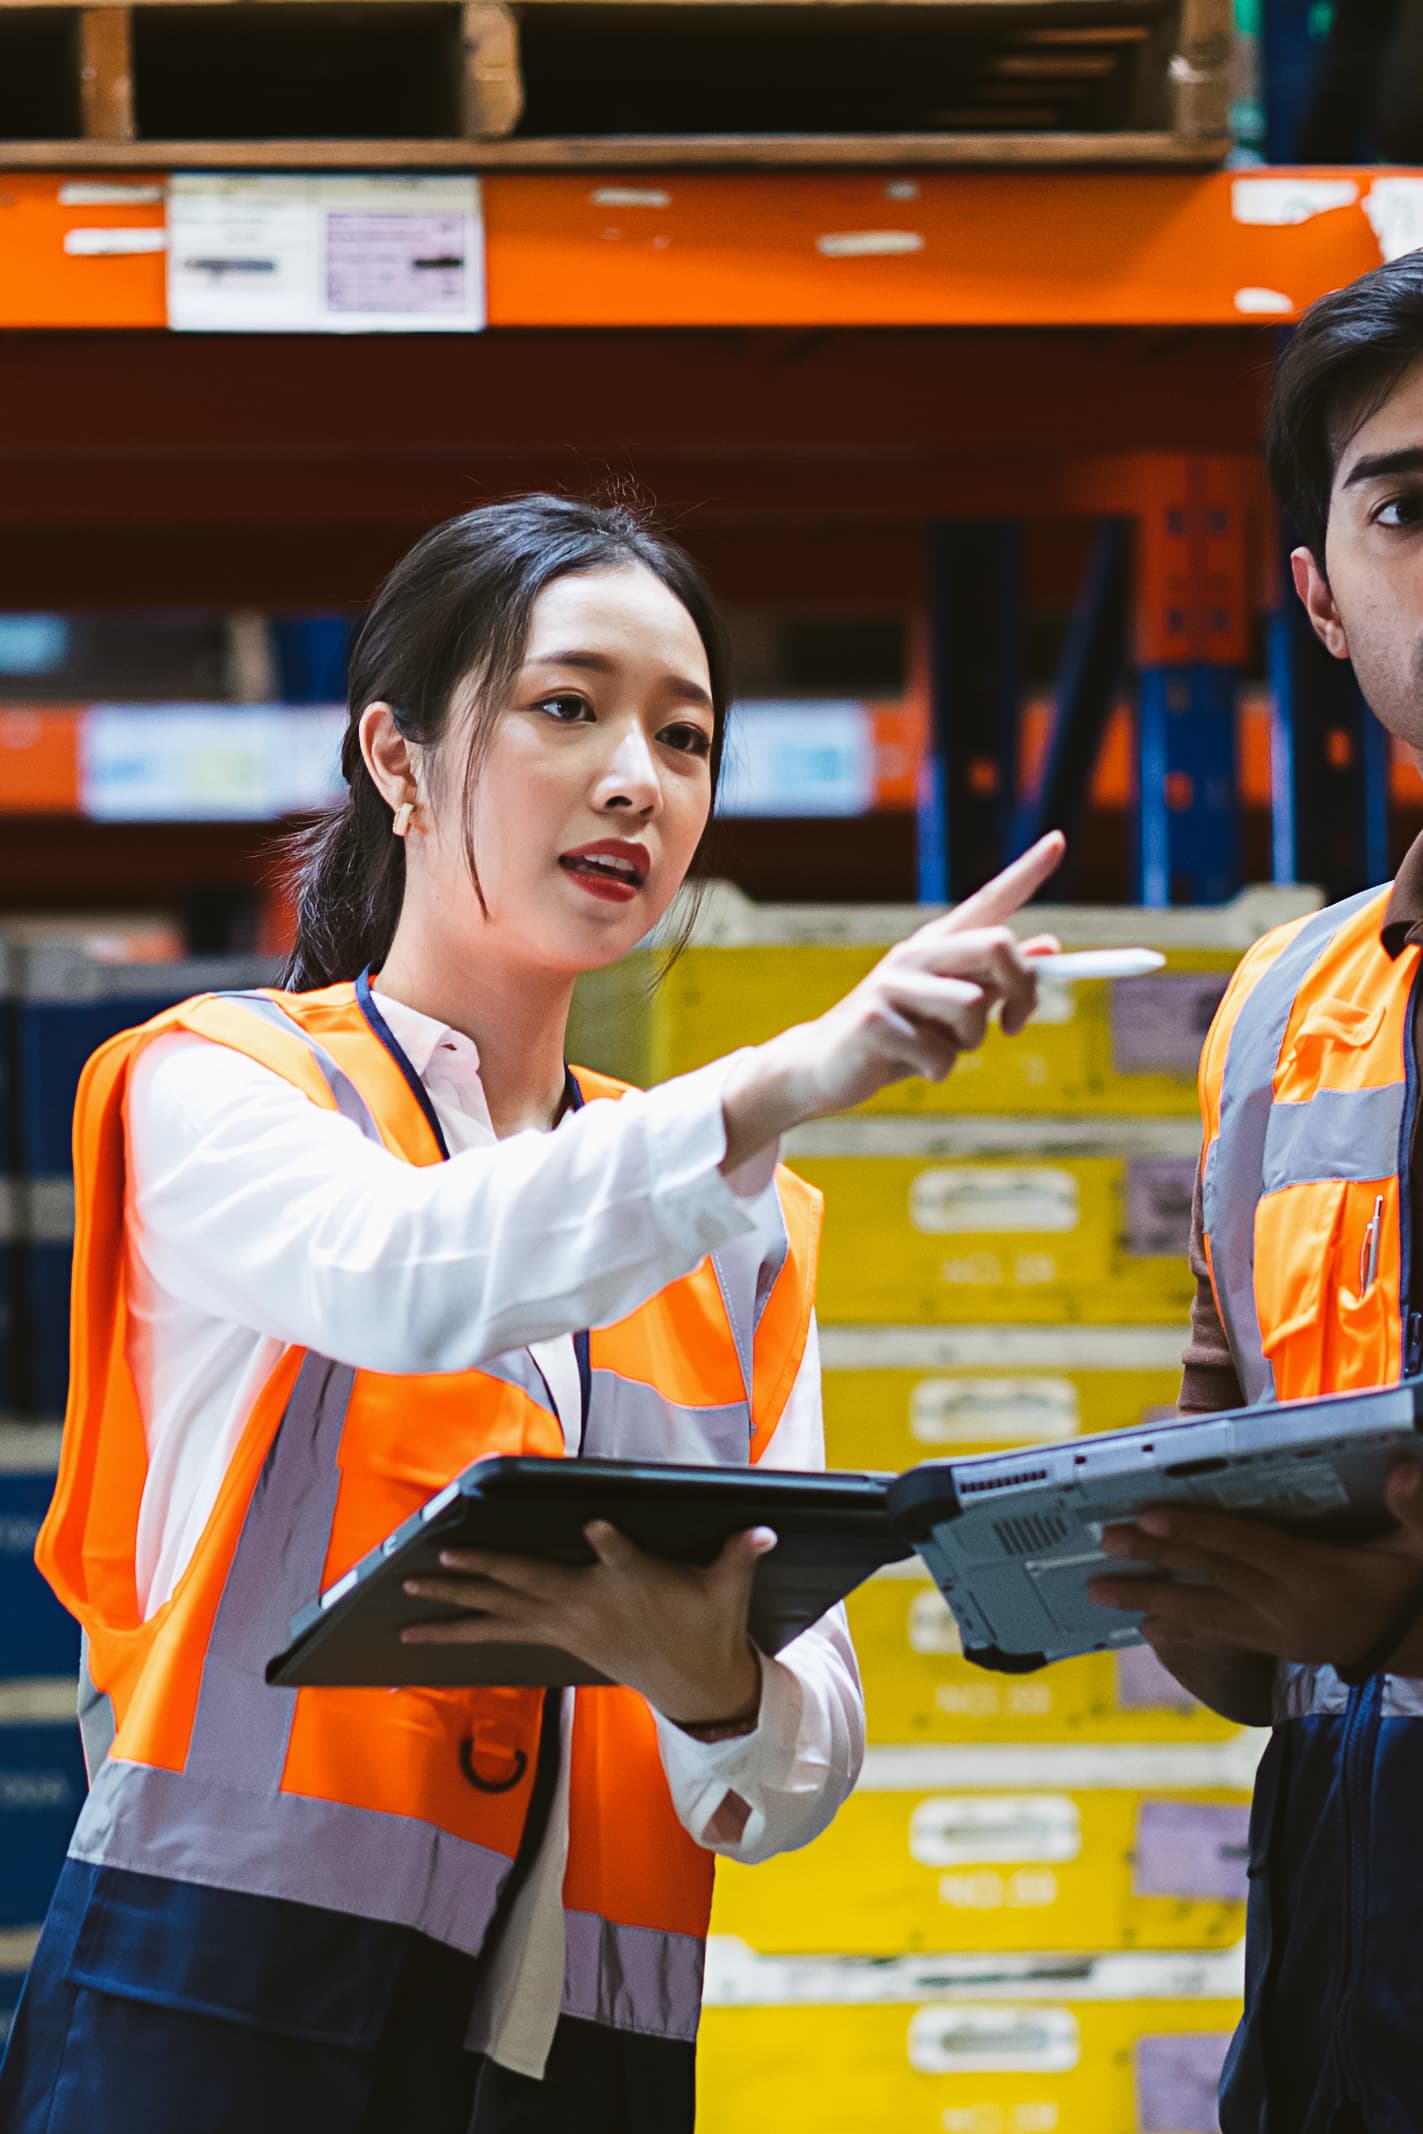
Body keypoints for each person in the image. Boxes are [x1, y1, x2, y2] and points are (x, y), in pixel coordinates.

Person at [0, 493, 1065, 2134]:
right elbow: (412, 1271)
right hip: (219, 2017)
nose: (637, 777)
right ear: (401, 759)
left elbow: (807, 1756)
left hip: (586, 2073)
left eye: (687, 736)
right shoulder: (218, 1092)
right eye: (567, 707)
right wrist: (791, 1072)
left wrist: (720, 1691)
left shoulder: (749, 1231)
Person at [1085, 255, 1423, 2134]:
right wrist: (1182, 1578)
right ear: (1317, 590)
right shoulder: (1284, 1010)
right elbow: (1231, 1430)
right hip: (1338, 1937)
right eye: (1408, 507)